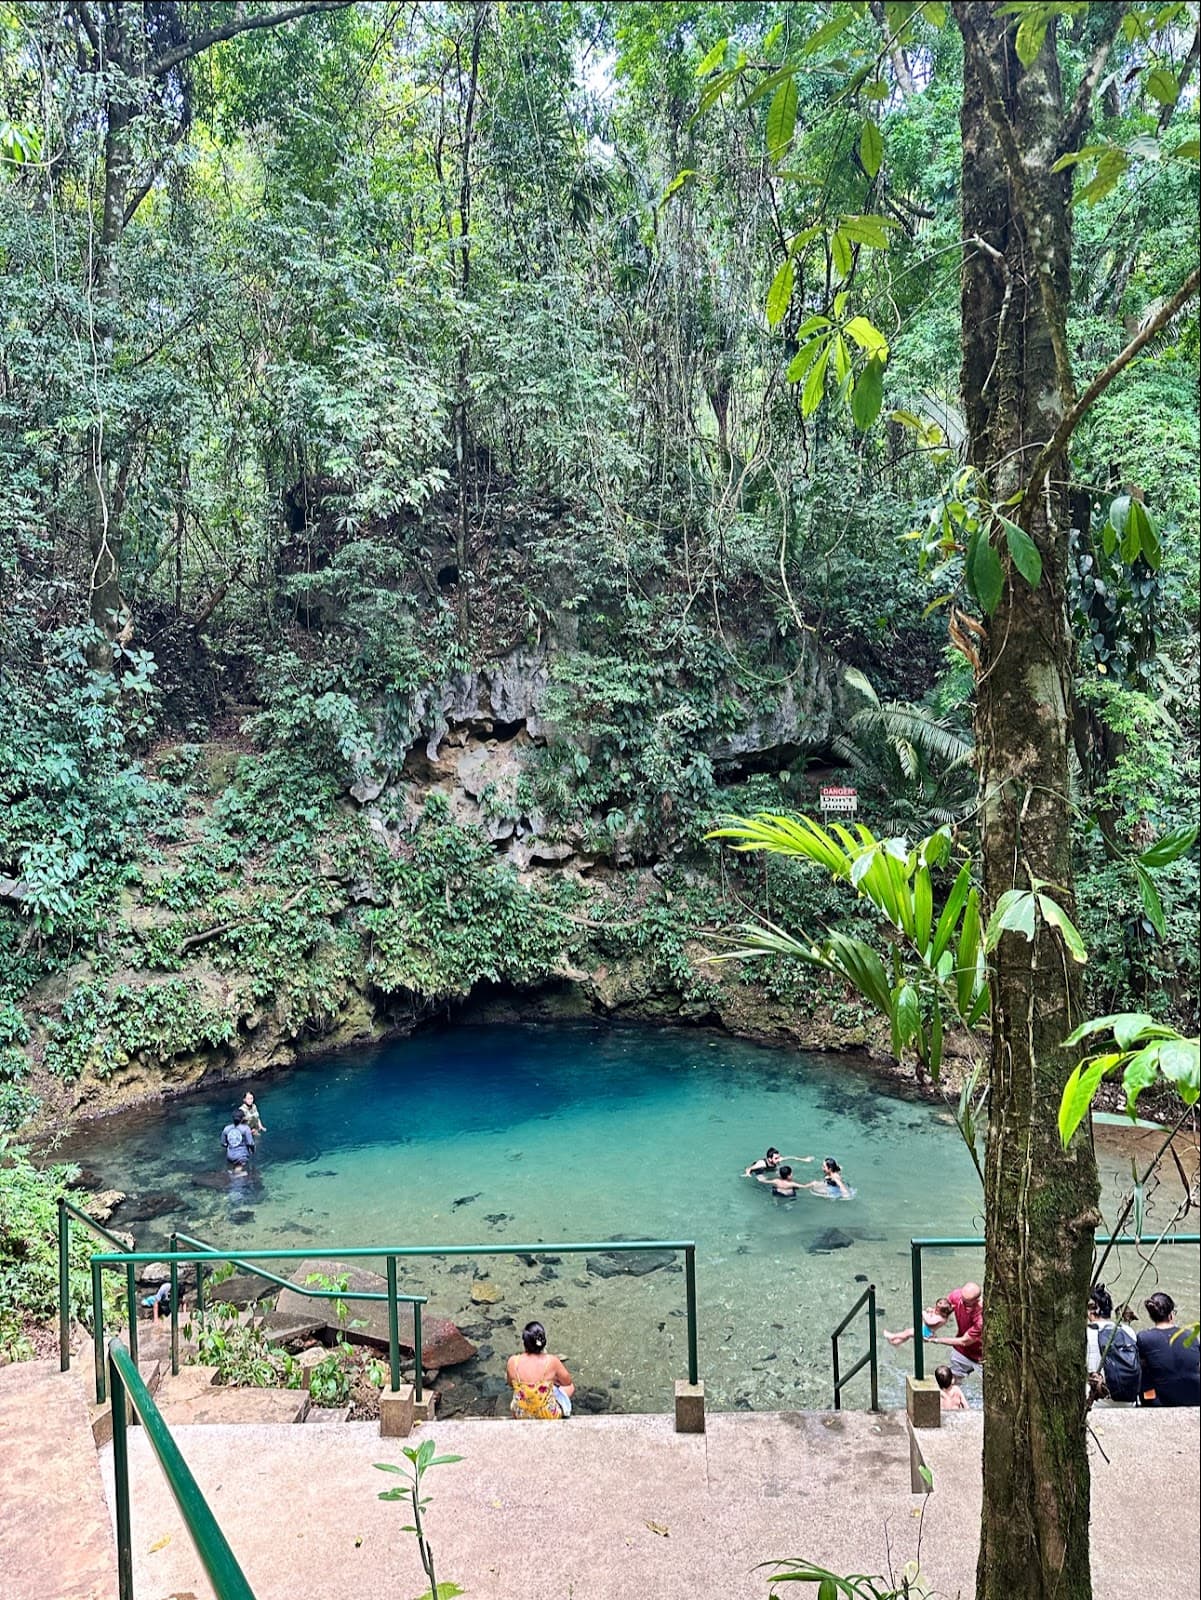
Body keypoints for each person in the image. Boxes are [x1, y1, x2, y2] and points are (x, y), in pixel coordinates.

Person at [1136, 1292, 1200, 1407]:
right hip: (1196, 1397)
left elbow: (1143, 1375)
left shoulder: (1143, 1338)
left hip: (1161, 1401)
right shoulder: (1190, 1335)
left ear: (1151, 1316)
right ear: (1171, 1315)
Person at [507, 1321, 575, 1419]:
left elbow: (510, 1383)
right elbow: (567, 1382)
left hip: (520, 1414)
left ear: (524, 1342)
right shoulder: (552, 1361)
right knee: (570, 1387)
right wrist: (552, 1380)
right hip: (547, 1414)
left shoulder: (513, 1361)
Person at [1087, 1283, 1139, 1405]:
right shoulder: (1127, 1331)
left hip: (1098, 1403)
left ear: (1090, 1311)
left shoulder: (1086, 1333)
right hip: (1128, 1401)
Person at [884, 1297, 955, 1347]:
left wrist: (923, 1313)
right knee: (907, 1334)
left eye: (937, 1310)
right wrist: (930, 1310)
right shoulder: (940, 1314)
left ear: (944, 1313)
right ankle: (896, 1343)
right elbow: (933, 1312)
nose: (935, 1310)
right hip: (925, 1330)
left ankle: (893, 1336)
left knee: (908, 1333)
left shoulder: (941, 1318)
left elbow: (929, 1322)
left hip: (925, 1333)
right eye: (935, 1307)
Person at [743, 1148, 812, 1177]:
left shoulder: (777, 1160)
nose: (779, 1159)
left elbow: (791, 1157)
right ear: (770, 1159)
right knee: (763, 1180)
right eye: (776, 1158)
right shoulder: (761, 1163)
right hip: (759, 1170)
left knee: (778, 1174)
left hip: (770, 1168)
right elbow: (749, 1168)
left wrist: (804, 1159)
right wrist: (747, 1174)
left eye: (779, 1157)